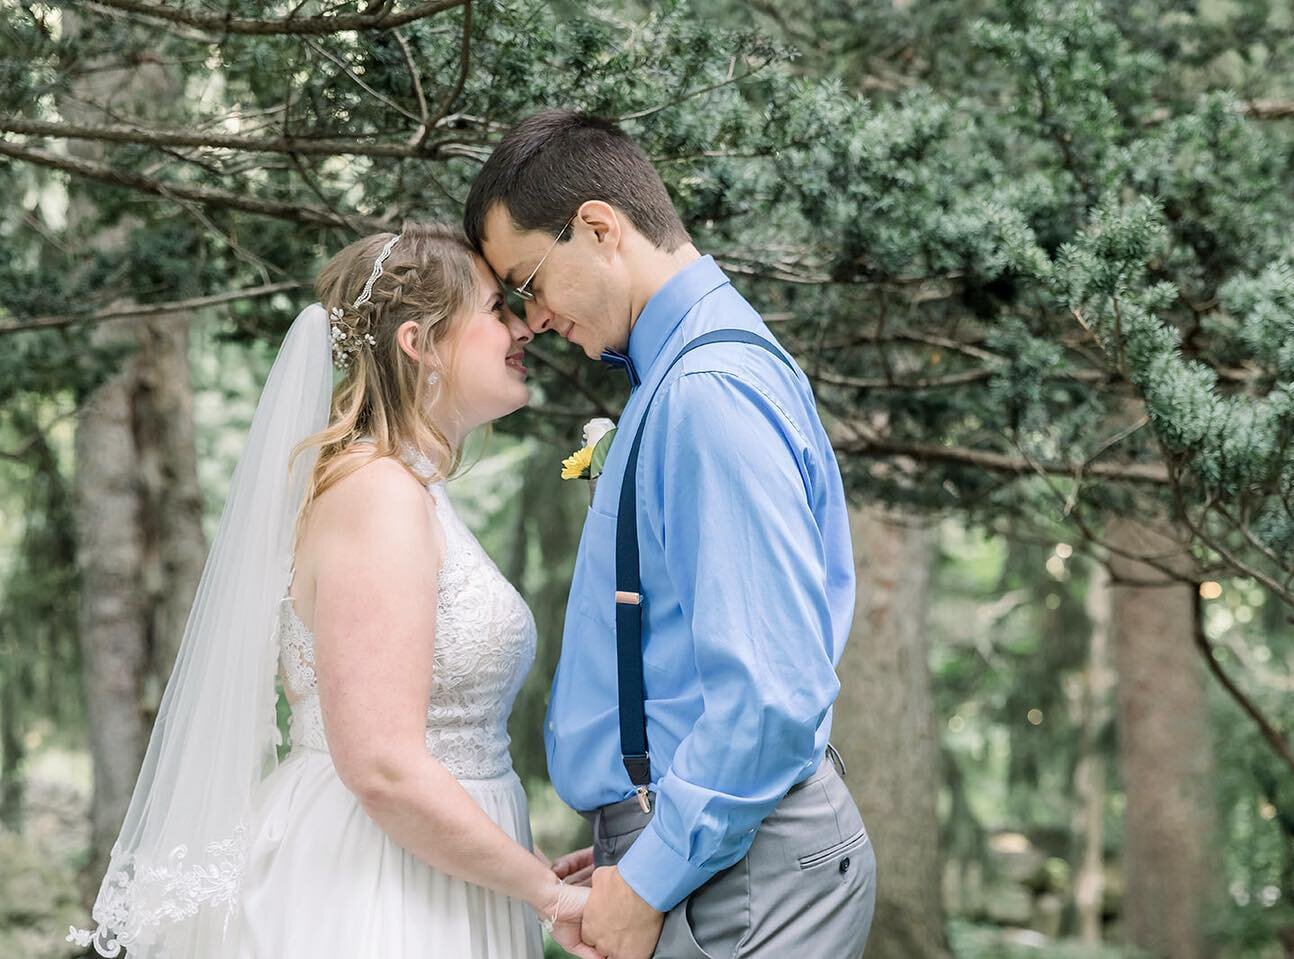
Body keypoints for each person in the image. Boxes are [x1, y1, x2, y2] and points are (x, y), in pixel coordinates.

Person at [67, 224, 596, 959]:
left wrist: (522, 869)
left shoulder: (410, 486)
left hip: (438, 866)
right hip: (373, 882)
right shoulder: (375, 491)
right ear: (418, 342)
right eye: (494, 309)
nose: (523, 326)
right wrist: (551, 896)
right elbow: (382, 763)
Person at [465, 111, 877, 959]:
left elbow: (771, 691)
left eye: (528, 281)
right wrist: (632, 834)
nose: (532, 319)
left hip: (741, 865)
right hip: (708, 845)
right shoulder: (687, 372)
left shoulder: (709, 390)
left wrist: (651, 869)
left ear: (599, 227)